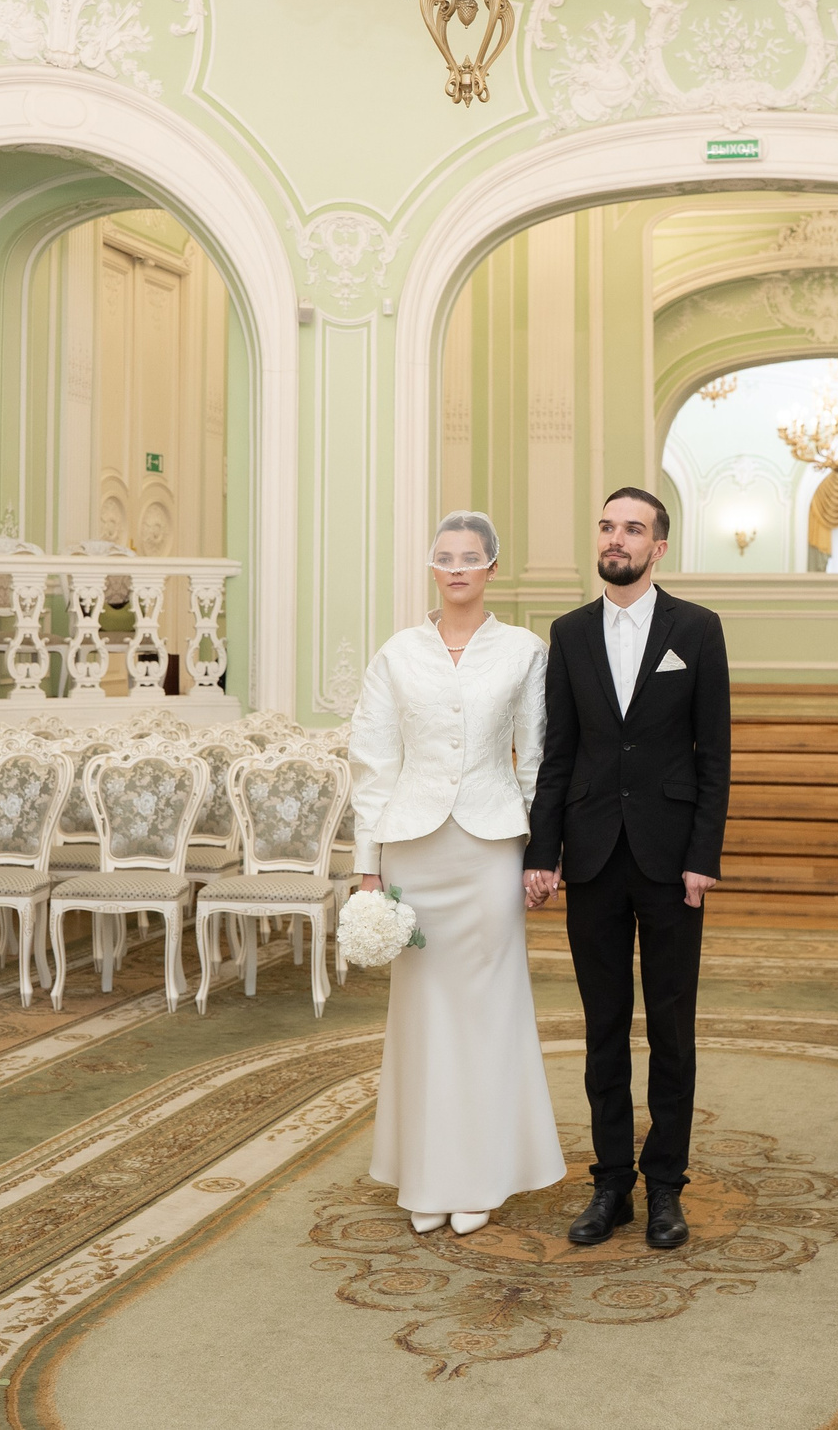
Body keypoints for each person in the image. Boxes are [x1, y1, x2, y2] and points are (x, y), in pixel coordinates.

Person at [349, 511, 567, 1235]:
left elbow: (537, 758)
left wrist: (545, 852)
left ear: (492, 567)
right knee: (423, 1016)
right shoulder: (398, 653)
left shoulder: (523, 651)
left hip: (489, 848)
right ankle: (427, 1177)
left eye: (471, 557)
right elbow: (374, 766)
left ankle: (481, 1176)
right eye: (445, 557)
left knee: (488, 1012)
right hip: (413, 848)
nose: (457, 568)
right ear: (432, 568)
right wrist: (366, 868)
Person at [527, 487, 732, 1252]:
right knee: (603, 1025)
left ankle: (667, 1187)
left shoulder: (699, 630)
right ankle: (611, 1180)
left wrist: (702, 857)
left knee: (671, 1028)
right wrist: (542, 852)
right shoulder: (570, 632)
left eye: (633, 528)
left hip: (671, 858)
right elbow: (558, 753)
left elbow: (715, 754)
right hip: (592, 854)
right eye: (609, 526)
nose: (617, 538)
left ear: (659, 546)